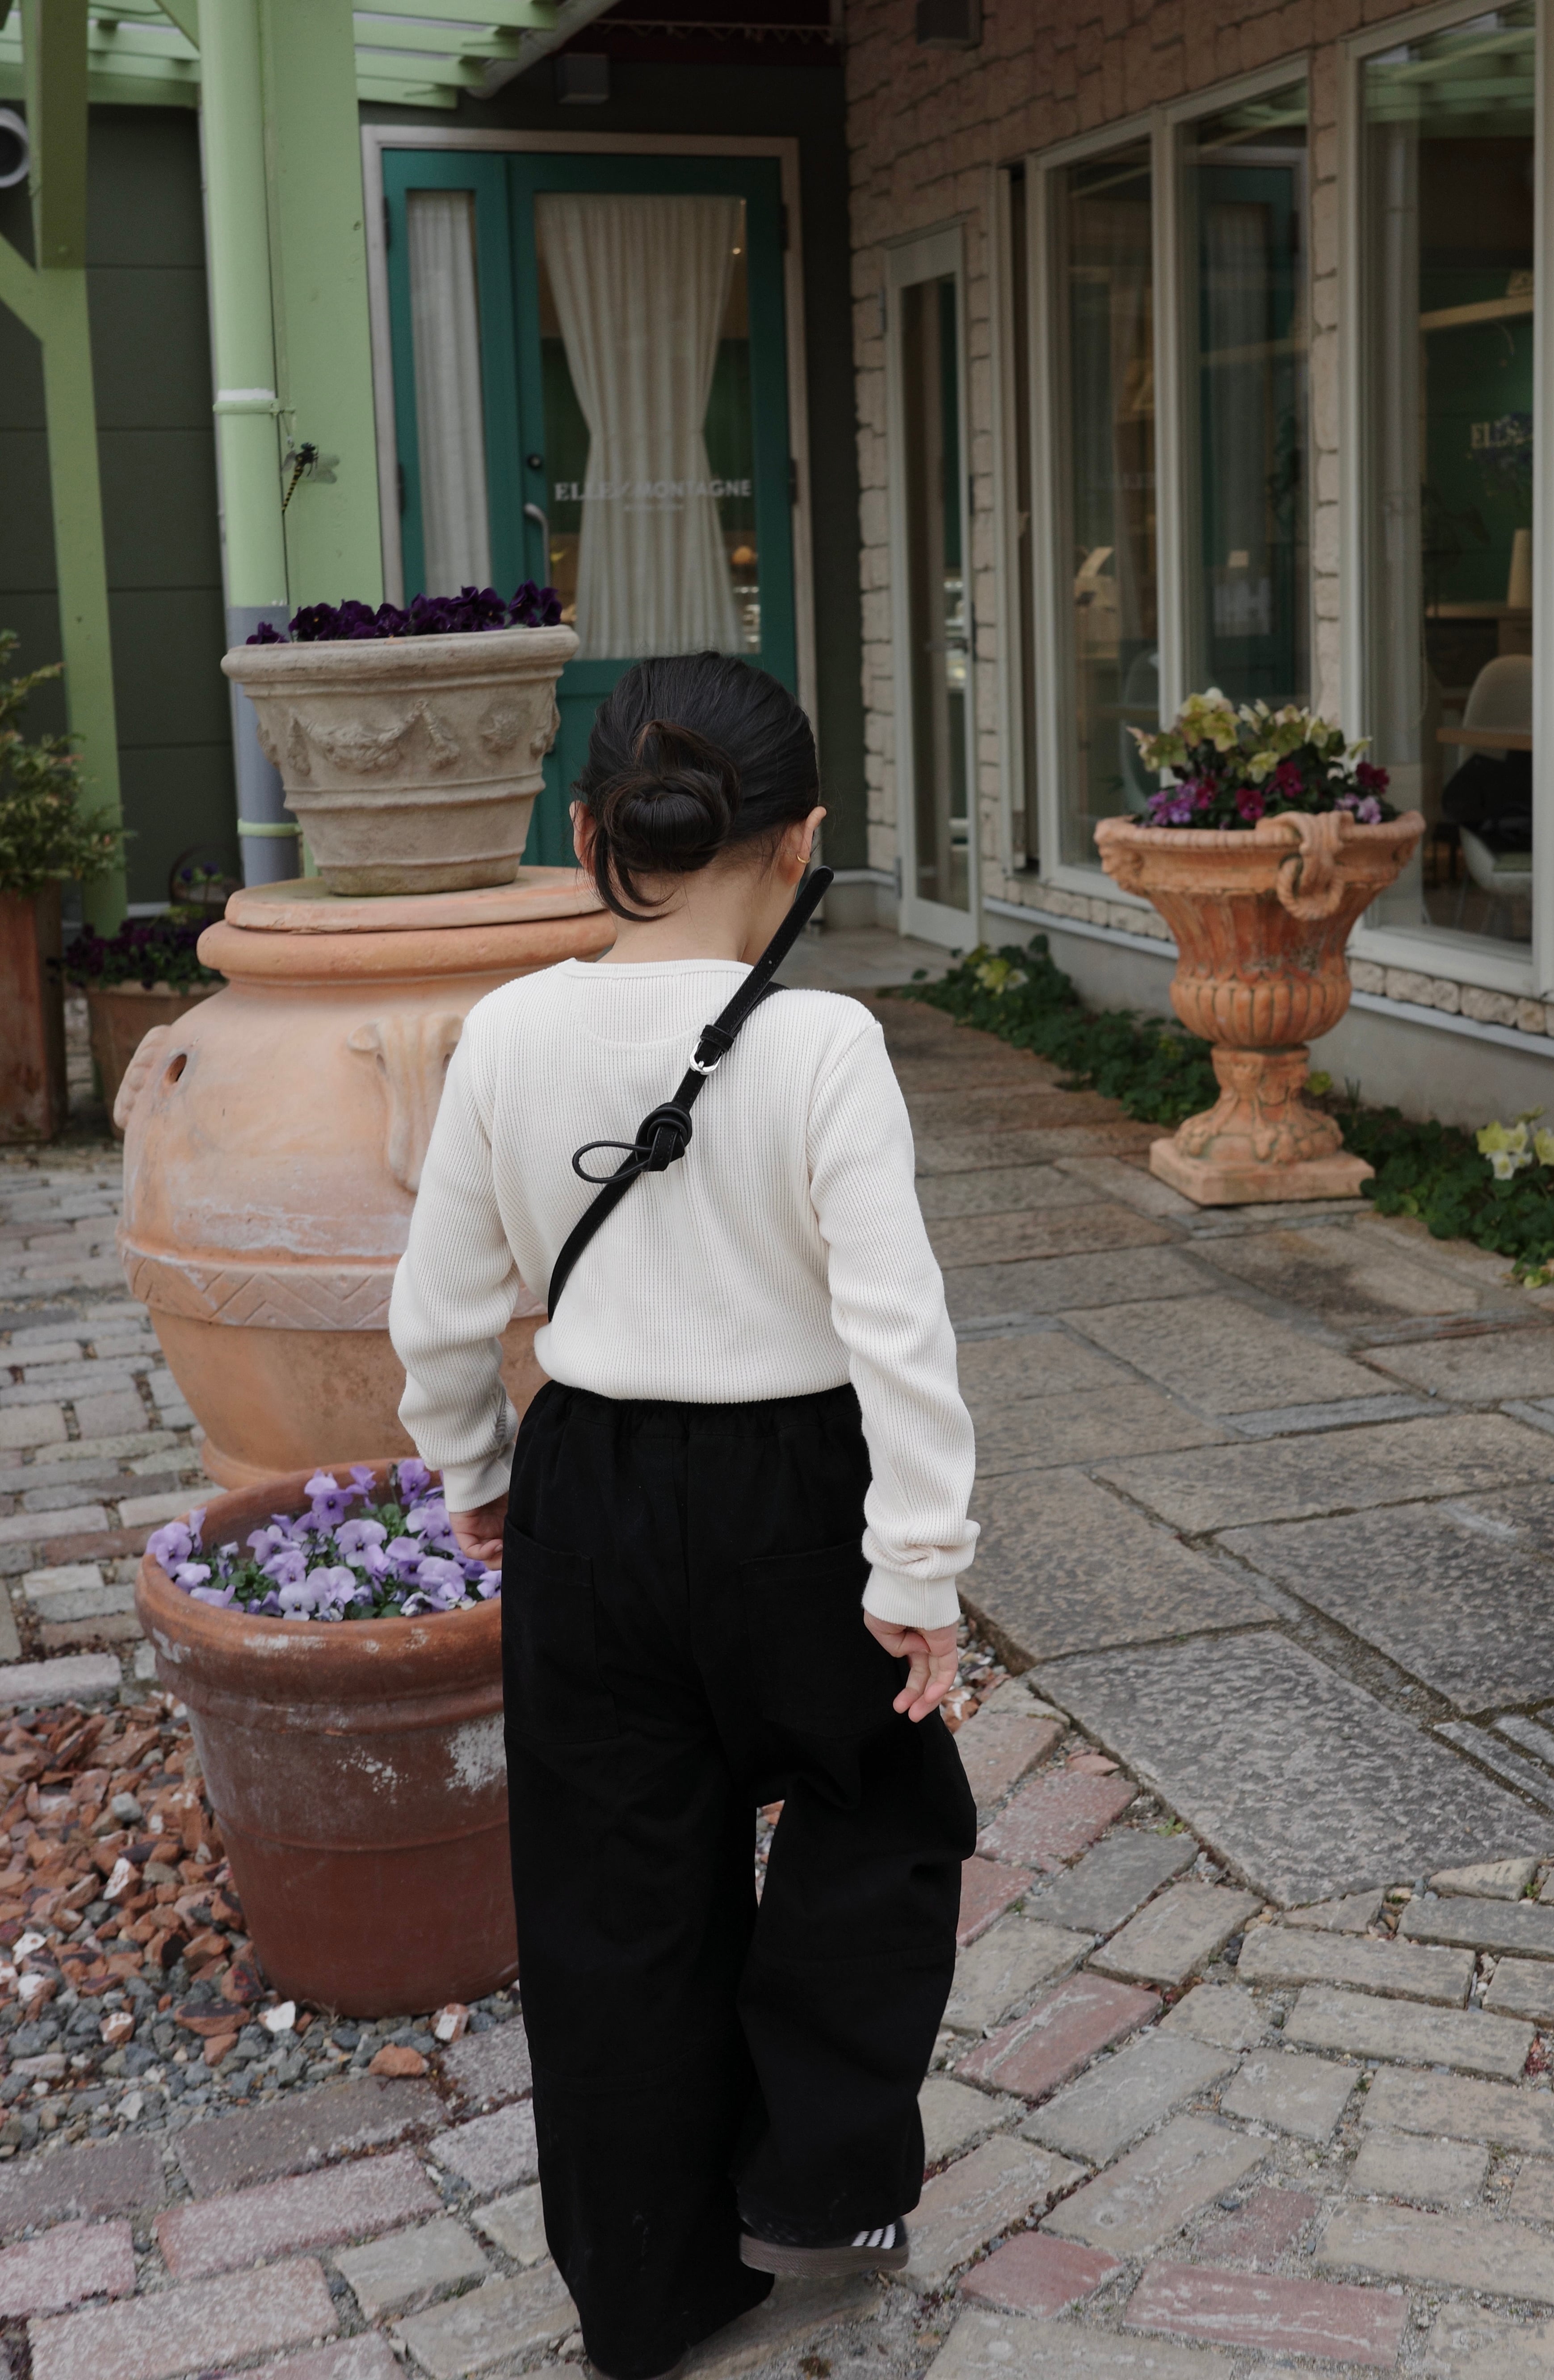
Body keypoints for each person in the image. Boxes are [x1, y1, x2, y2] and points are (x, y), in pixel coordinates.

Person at [389, 653, 979, 2380]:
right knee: (883, 1805)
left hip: (587, 1487)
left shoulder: (507, 1032)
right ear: (802, 844)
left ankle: (645, 2293)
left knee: (614, 1888)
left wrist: (474, 1475)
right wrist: (918, 1565)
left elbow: (437, 1311)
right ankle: (813, 2173)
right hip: (794, 1493)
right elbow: (898, 1329)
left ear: (589, 834)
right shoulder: (824, 1042)